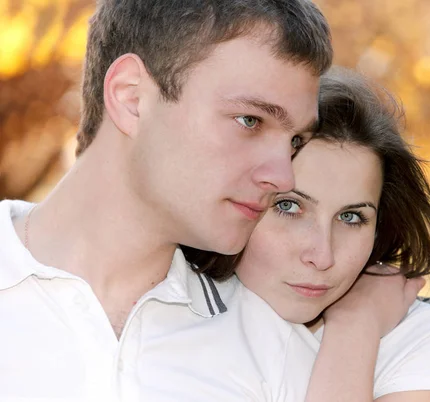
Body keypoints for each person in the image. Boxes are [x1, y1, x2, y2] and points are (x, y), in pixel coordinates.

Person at [0, 0, 332, 400]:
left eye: (295, 141)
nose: (283, 177)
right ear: (131, 98)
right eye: (250, 121)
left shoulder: (277, 351)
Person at [183, 68, 430, 401]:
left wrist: (355, 328)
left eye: (351, 217)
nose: (323, 256)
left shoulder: (413, 336)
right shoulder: (169, 305)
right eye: (289, 207)